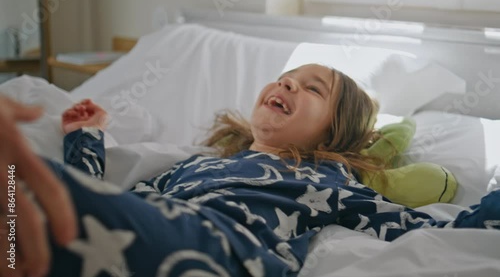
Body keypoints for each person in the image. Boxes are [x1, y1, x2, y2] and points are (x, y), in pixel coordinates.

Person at [1, 64, 499, 277]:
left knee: (17, 187)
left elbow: (436, 230)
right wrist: (85, 134)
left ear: (333, 133)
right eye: (286, 77)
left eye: (313, 89)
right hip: (150, 229)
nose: (287, 82)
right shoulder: (196, 164)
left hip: (220, 250)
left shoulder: (328, 180)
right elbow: (103, 190)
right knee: (20, 202)